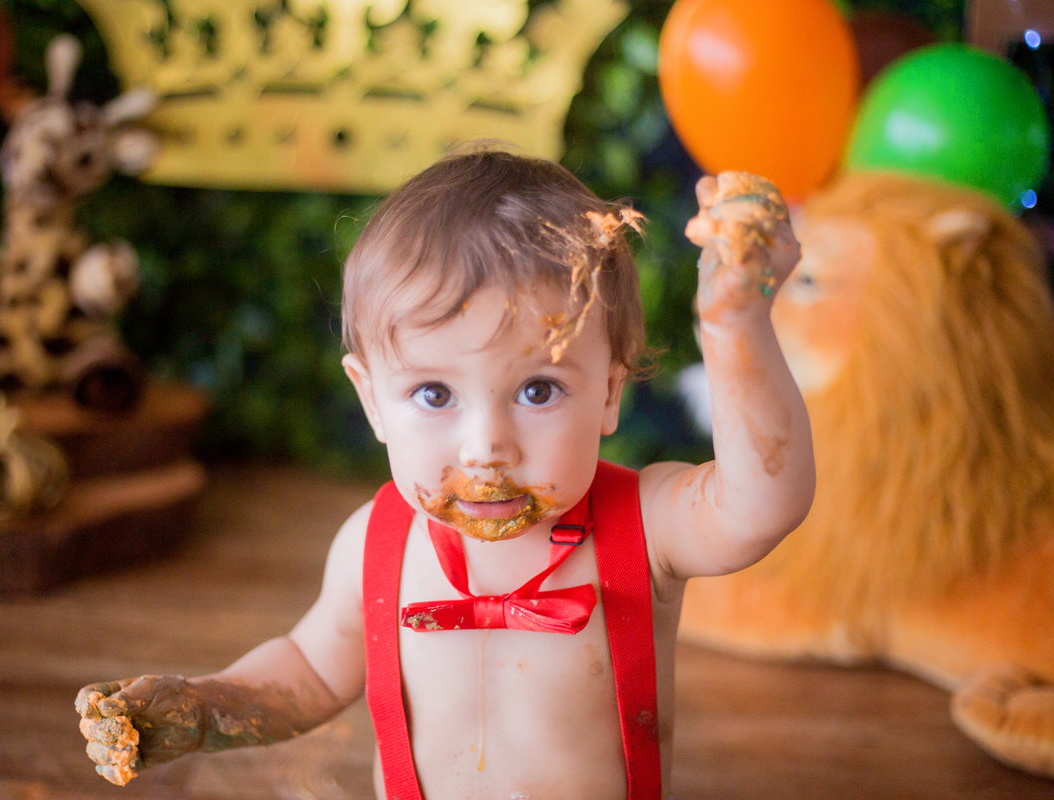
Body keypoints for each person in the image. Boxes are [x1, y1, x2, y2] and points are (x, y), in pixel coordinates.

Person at [76, 148, 814, 799]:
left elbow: (761, 503)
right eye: (434, 394)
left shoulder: (645, 526)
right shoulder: (375, 546)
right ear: (372, 399)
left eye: (539, 390)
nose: (486, 448)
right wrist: (202, 709)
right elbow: (310, 671)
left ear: (610, 391)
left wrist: (736, 328)